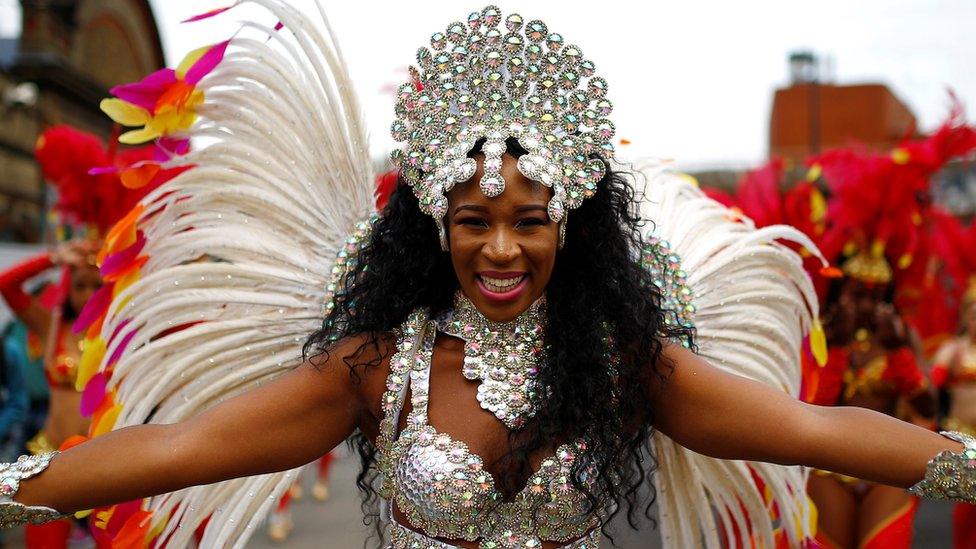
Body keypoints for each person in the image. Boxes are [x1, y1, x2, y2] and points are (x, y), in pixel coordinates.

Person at [1, 3, 974, 548]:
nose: (500, 249)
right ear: (434, 230)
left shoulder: (624, 363)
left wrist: (965, 462)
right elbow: (183, 451)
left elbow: (811, 427)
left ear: (571, 226)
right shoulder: (378, 366)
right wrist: (13, 487)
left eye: (528, 222)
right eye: (473, 222)